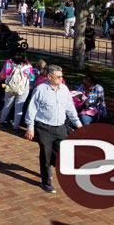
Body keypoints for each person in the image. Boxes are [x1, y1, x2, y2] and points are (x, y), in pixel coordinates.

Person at [25, 65, 82, 194]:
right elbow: (31, 110)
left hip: (61, 127)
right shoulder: (40, 90)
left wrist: (78, 124)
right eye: (59, 77)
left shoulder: (64, 89)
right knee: (45, 155)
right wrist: (30, 128)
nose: (62, 79)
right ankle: (46, 182)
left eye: (62, 76)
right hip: (44, 128)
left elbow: (70, 109)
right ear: (49, 77)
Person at [0, 48, 34, 131]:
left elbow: (2, 75)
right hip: (23, 89)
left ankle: (1, 121)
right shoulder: (28, 66)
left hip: (9, 87)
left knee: (7, 105)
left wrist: (2, 78)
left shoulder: (8, 63)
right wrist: (31, 85)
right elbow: (32, 78)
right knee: (19, 107)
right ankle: (15, 126)